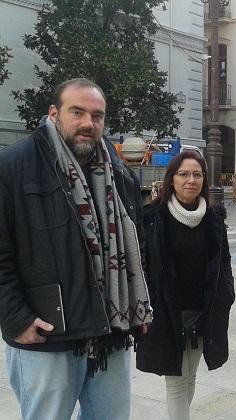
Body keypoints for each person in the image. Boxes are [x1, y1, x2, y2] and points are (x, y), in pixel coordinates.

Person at [0, 78, 152, 419]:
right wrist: (16, 319)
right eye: (77, 112)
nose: (88, 123)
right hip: (47, 334)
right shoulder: (13, 166)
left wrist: (141, 304)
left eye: (97, 115)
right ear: (54, 114)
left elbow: (138, 248)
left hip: (111, 332)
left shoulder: (120, 174)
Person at [136, 150, 235, 420]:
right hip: (167, 313)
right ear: (172, 178)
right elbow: (141, 266)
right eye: (183, 174)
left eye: (197, 174)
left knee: (190, 376)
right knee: (176, 380)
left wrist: (226, 297)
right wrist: (145, 308)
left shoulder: (214, 219)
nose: (191, 180)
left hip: (204, 312)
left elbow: (224, 263)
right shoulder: (152, 217)